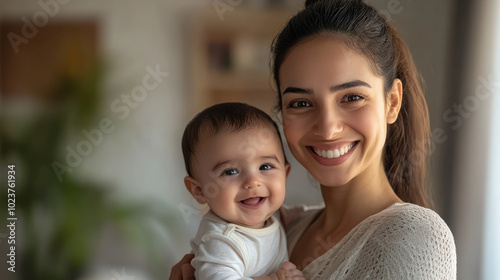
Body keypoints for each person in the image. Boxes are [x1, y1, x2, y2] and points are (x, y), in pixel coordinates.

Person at [171, 0, 457, 279]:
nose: (327, 128)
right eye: (301, 103)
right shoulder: (282, 226)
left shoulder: (415, 237)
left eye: (352, 97)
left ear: (392, 102)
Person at [181, 102, 305, 280]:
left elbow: (305, 217)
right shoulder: (221, 242)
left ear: (284, 175)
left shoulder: (274, 214)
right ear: (199, 190)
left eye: (265, 166)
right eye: (230, 171)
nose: (253, 182)